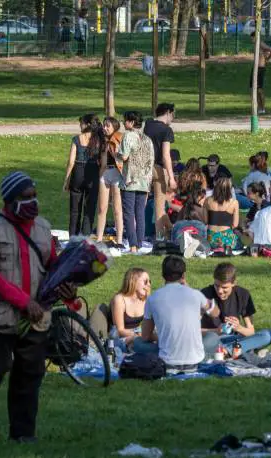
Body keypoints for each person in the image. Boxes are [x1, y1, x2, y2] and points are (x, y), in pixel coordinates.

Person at [0, 171, 70, 444]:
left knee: (30, 375)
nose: (33, 202)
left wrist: (67, 284)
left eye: (34, 196)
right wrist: (24, 302)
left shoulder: (44, 229)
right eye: (25, 197)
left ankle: (23, 433)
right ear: (10, 201)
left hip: (35, 317)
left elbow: (52, 265)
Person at [134, 256, 219, 372]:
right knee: (213, 338)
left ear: (163, 275)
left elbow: (145, 336)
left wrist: (163, 337)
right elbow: (216, 313)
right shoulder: (195, 294)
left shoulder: (153, 298)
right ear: (183, 275)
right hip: (195, 360)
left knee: (138, 343)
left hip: (167, 361)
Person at [200, 262, 271, 356]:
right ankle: (240, 351)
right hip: (212, 339)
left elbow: (251, 332)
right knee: (208, 341)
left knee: (269, 335)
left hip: (233, 339)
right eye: (216, 285)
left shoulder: (243, 295)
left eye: (224, 287)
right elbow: (193, 331)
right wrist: (216, 331)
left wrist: (238, 327)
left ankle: (226, 351)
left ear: (234, 283)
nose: (219, 291)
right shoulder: (204, 295)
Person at [118, 110, 155, 254]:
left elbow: (125, 156)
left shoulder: (128, 136)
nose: (123, 123)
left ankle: (132, 245)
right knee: (140, 213)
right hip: (144, 181)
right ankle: (139, 244)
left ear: (132, 122)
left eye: (125, 120)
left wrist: (117, 154)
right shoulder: (147, 139)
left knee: (128, 213)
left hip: (130, 181)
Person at [63, 114, 103, 236]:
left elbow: (71, 162)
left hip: (78, 172)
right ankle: (85, 236)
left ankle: (73, 236)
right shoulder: (98, 139)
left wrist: (66, 180)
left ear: (87, 125)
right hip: (93, 172)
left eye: (81, 123)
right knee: (90, 208)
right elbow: (102, 161)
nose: (80, 125)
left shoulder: (76, 139)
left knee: (75, 209)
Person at [144, 102, 176, 240]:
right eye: (173, 114)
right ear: (168, 112)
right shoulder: (166, 130)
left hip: (144, 168)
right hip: (158, 168)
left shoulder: (148, 124)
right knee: (160, 205)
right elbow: (165, 155)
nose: (173, 117)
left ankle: (170, 229)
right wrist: (172, 177)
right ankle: (159, 236)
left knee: (141, 204)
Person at [95, 116, 125, 248]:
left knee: (117, 209)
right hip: (105, 174)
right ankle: (99, 239)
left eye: (108, 126)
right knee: (102, 208)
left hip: (117, 174)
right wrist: (100, 176)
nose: (104, 128)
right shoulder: (103, 141)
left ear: (114, 127)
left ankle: (119, 241)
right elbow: (102, 162)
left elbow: (123, 158)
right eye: (104, 125)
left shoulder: (119, 138)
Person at [110, 267, 151, 348]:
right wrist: (137, 335)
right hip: (121, 336)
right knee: (141, 346)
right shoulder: (120, 299)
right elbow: (120, 330)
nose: (149, 284)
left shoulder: (145, 300)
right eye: (145, 282)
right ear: (134, 281)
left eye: (150, 282)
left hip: (138, 334)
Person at [204, 176, 240, 251]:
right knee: (239, 241)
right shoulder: (234, 202)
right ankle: (223, 247)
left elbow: (205, 221)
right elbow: (235, 224)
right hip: (226, 238)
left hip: (210, 237)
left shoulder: (207, 200)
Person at [249, 32, 271, 114]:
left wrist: (267, 58)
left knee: (260, 89)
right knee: (253, 89)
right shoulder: (256, 45)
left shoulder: (261, 44)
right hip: (255, 68)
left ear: (255, 37)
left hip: (260, 68)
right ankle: (258, 107)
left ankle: (263, 108)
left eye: (252, 38)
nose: (251, 40)